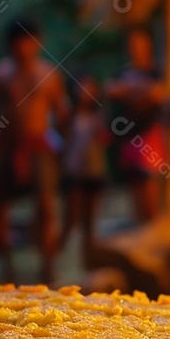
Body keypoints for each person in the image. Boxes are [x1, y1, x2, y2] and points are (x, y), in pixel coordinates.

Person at [0, 18, 69, 285]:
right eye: (19, 42)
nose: (24, 47)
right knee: (0, 208)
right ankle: (7, 271)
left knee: (46, 205)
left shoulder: (49, 74)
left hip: (39, 147)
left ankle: (47, 266)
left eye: (29, 41)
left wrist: (72, 141)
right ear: (11, 45)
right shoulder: (0, 73)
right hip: (6, 148)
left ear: (38, 42)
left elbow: (63, 113)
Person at [107, 28, 165, 223]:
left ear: (148, 45)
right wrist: (143, 92)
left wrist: (131, 92)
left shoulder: (156, 71)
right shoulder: (123, 72)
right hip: (129, 136)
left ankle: (152, 234)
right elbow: (111, 90)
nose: (136, 49)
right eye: (132, 45)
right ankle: (140, 232)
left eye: (140, 44)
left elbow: (159, 94)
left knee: (151, 189)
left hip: (151, 137)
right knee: (135, 188)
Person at [58, 74, 108, 269]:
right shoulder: (69, 115)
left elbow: (105, 139)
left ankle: (89, 264)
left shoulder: (100, 115)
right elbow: (60, 140)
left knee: (90, 224)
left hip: (94, 172)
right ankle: (58, 262)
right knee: (70, 220)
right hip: (74, 173)